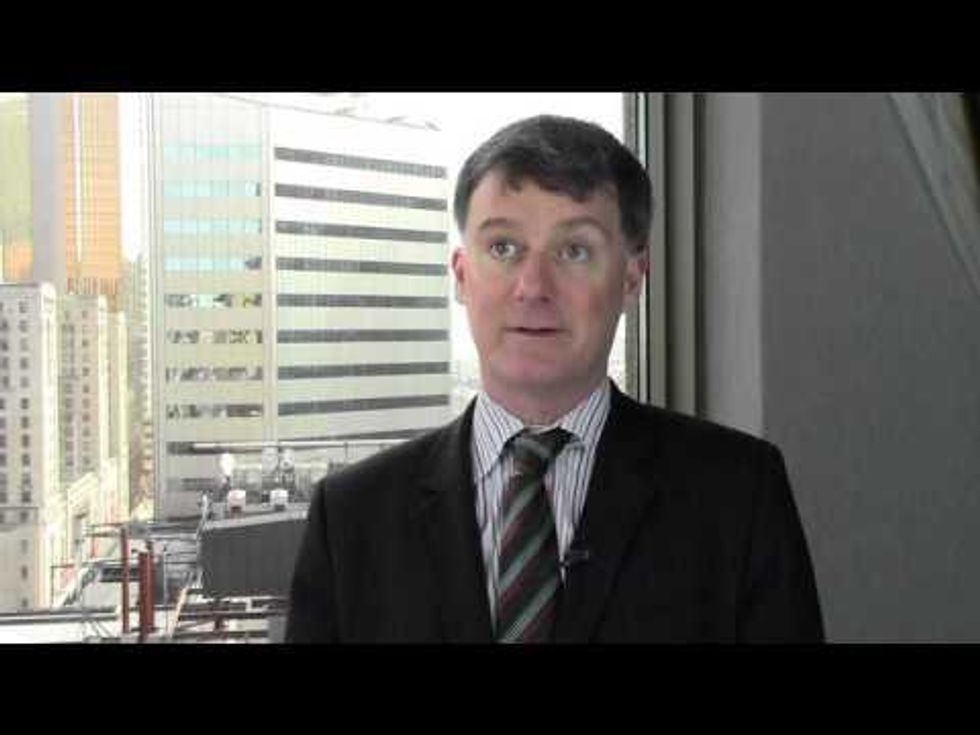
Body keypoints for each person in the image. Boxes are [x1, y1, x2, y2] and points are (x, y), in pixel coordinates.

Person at [285, 115, 824, 643]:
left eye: (574, 251)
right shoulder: (351, 519)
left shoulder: (738, 496)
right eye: (503, 247)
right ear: (461, 276)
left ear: (632, 278)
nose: (533, 286)